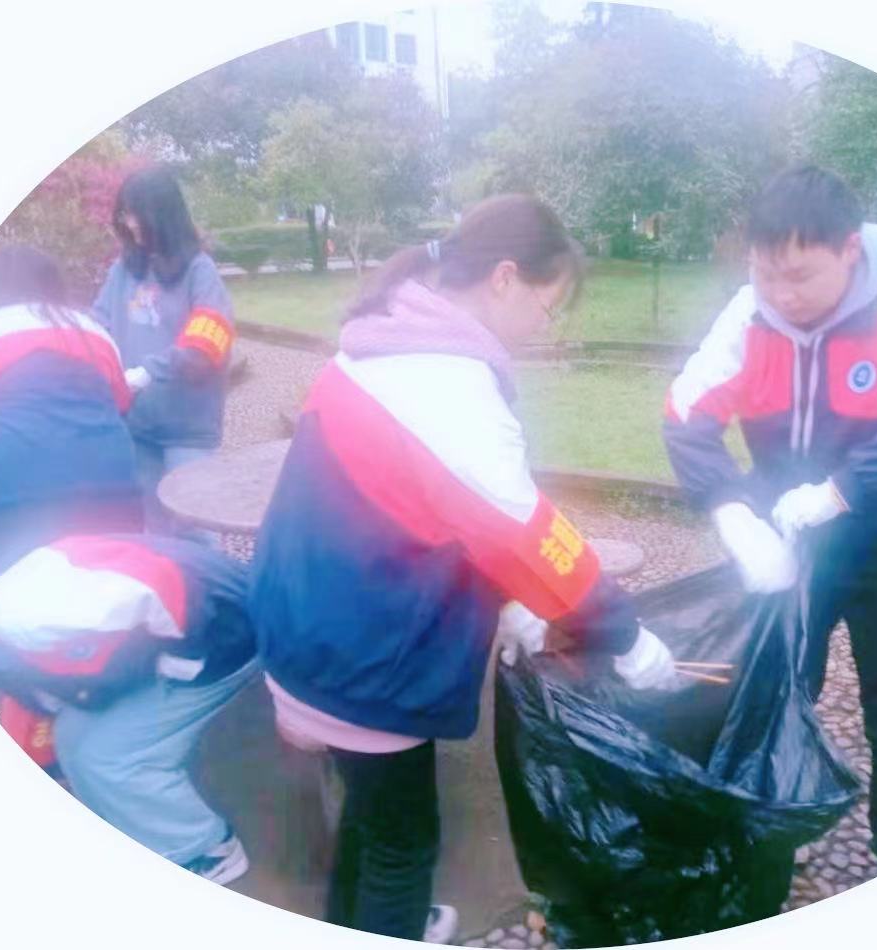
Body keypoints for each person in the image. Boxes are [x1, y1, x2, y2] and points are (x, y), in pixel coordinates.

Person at [247, 194, 678, 944]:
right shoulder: (444, 381)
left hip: (304, 623)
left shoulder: (383, 340)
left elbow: (434, 511)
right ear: (506, 278)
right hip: (360, 658)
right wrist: (626, 636)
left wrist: (511, 606)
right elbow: (525, 533)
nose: (545, 326)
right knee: (402, 846)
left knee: (370, 819)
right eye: (548, 306)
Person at [662, 166, 877, 899]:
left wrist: (842, 491)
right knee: (776, 694)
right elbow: (685, 413)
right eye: (765, 273)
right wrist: (732, 512)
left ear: (849, 250)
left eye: (800, 276)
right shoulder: (749, 314)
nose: (781, 295)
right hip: (793, 544)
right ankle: (776, 841)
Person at [0, 532, 259, 886]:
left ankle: (205, 852)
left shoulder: (25, 621)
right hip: (187, 615)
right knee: (74, 739)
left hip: (227, 630)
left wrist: (179, 665)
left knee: (109, 758)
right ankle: (142, 828)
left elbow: (167, 588)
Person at [0, 245, 142, 584]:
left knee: (24, 592)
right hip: (112, 488)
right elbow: (121, 403)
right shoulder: (94, 331)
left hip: (17, 496)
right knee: (109, 589)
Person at [92, 165, 235, 535]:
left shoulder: (200, 272)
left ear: (162, 214)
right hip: (137, 425)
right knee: (154, 533)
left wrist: (147, 372)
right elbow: (97, 326)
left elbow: (206, 344)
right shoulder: (122, 272)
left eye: (136, 213)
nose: (129, 223)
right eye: (125, 214)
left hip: (188, 431)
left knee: (196, 531)